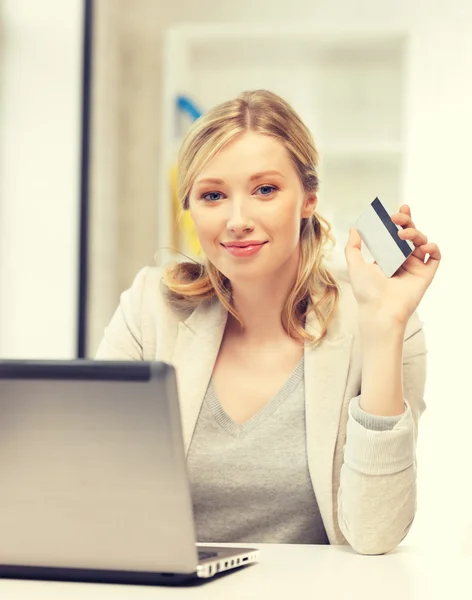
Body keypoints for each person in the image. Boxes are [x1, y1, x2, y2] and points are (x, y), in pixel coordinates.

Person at [96, 90, 441, 555]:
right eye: (213, 195)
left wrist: (383, 328)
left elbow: (374, 533)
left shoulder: (379, 321)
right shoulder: (150, 307)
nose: (238, 220)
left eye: (264, 190)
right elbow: (97, 495)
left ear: (308, 200)